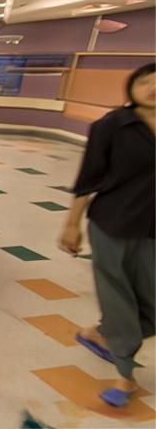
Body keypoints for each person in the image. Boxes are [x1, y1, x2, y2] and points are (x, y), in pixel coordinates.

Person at [57, 63, 155, 408]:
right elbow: (89, 177)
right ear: (132, 86)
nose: (153, 87)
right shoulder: (112, 126)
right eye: (145, 81)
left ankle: (98, 332)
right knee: (119, 298)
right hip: (112, 224)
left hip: (152, 230)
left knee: (151, 304)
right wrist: (72, 224)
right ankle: (125, 377)